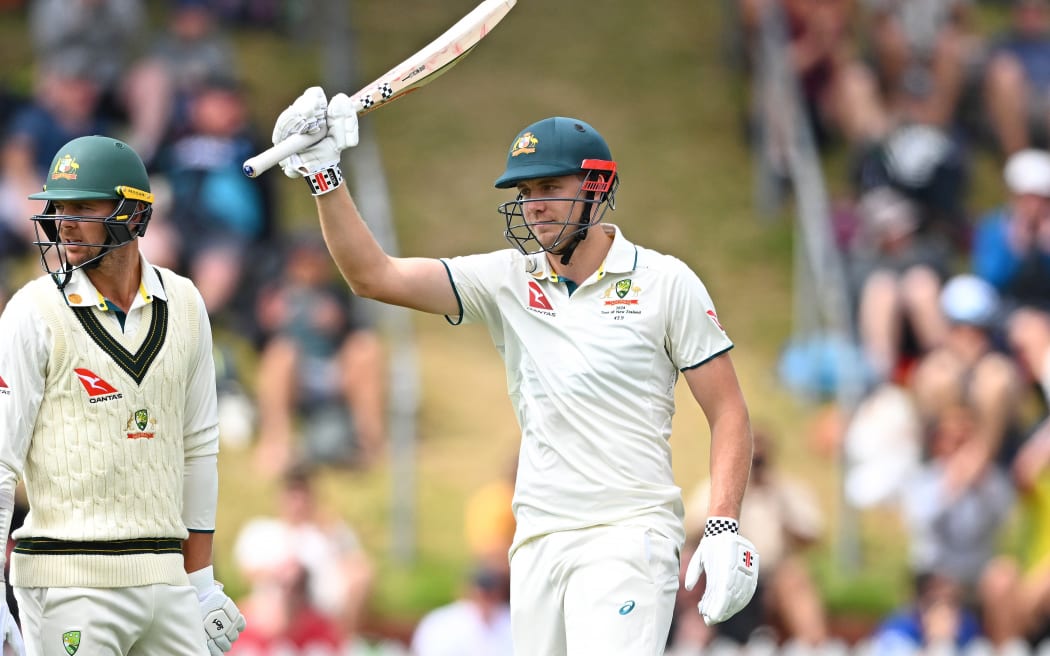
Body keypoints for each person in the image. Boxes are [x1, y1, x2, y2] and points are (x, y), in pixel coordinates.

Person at [268, 87, 759, 655]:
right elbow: (374, 276)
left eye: (550, 187)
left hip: (629, 535)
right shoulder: (507, 281)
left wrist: (723, 523)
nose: (535, 205)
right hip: (537, 540)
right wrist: (325, 177)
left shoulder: (666, 283)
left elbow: (728, 411)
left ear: (597, 187)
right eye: (526, 192)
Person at [0, 135, 245, 654]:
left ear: (134, 214)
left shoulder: (186, 302)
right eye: (59, 207)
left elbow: (198, 448)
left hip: (167, 581)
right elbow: (0, 462)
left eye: (84, 207)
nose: (64, 223)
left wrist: (200, 583)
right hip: (69, 582)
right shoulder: (31, 312)